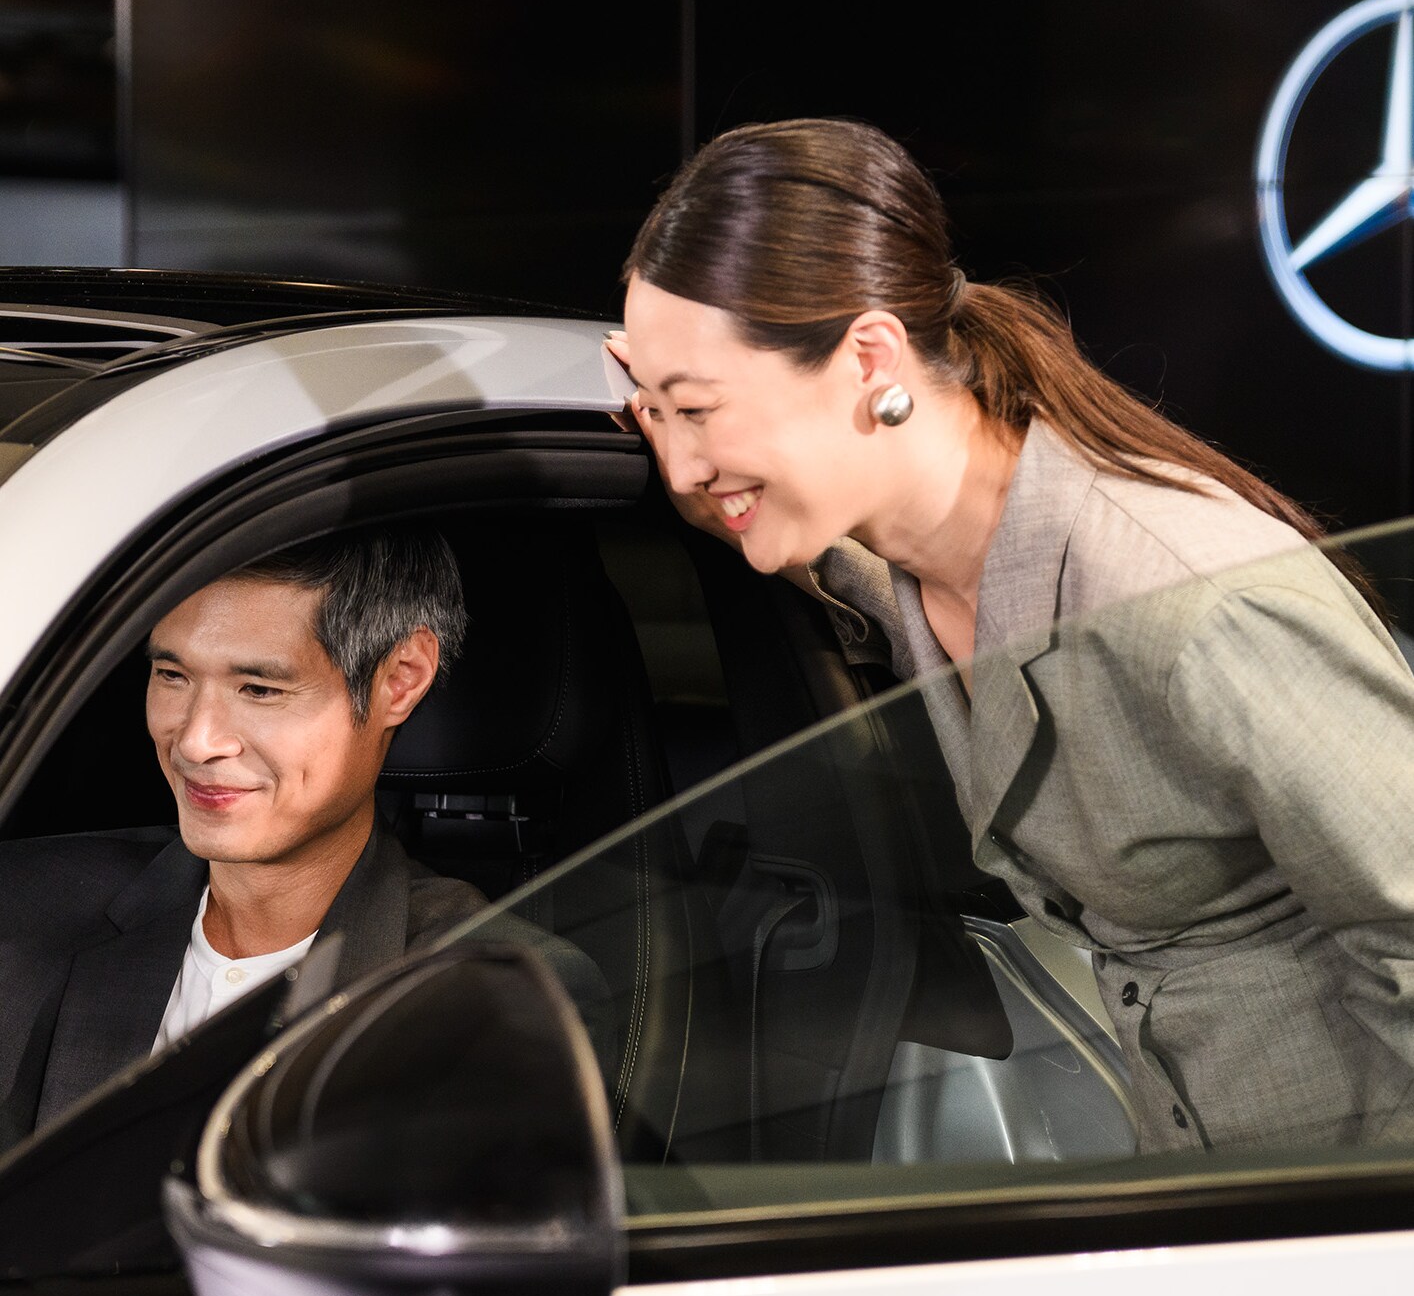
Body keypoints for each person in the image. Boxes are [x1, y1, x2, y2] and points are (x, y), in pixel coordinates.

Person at [608, 116, 1414, 1154]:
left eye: (699, 410)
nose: (678, 464)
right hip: (1205, 1183)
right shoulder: (906, 555)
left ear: (868, 358)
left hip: (1335, 1206)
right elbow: (784, 537)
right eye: (653, 414)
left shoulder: (1187, 601)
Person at [0, 528, 611, 1146]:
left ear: (400, 679)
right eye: (172, 674)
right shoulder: (22, 911)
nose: (194, 740)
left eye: (260, 689)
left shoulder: (491, 1002)